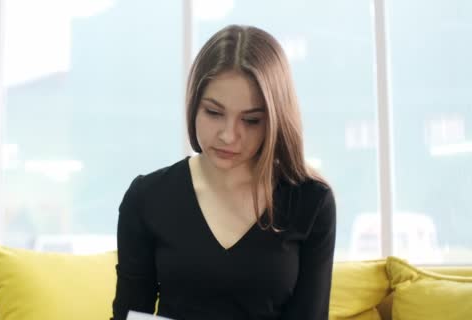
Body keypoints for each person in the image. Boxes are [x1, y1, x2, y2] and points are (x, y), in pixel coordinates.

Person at [111, 24, 336, 320]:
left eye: (251, 120)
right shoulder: (147, 198)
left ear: (275, 120)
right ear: (194, 106)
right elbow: (131, 312)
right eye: (214, 113)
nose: (229, 135)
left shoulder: (311, 201)